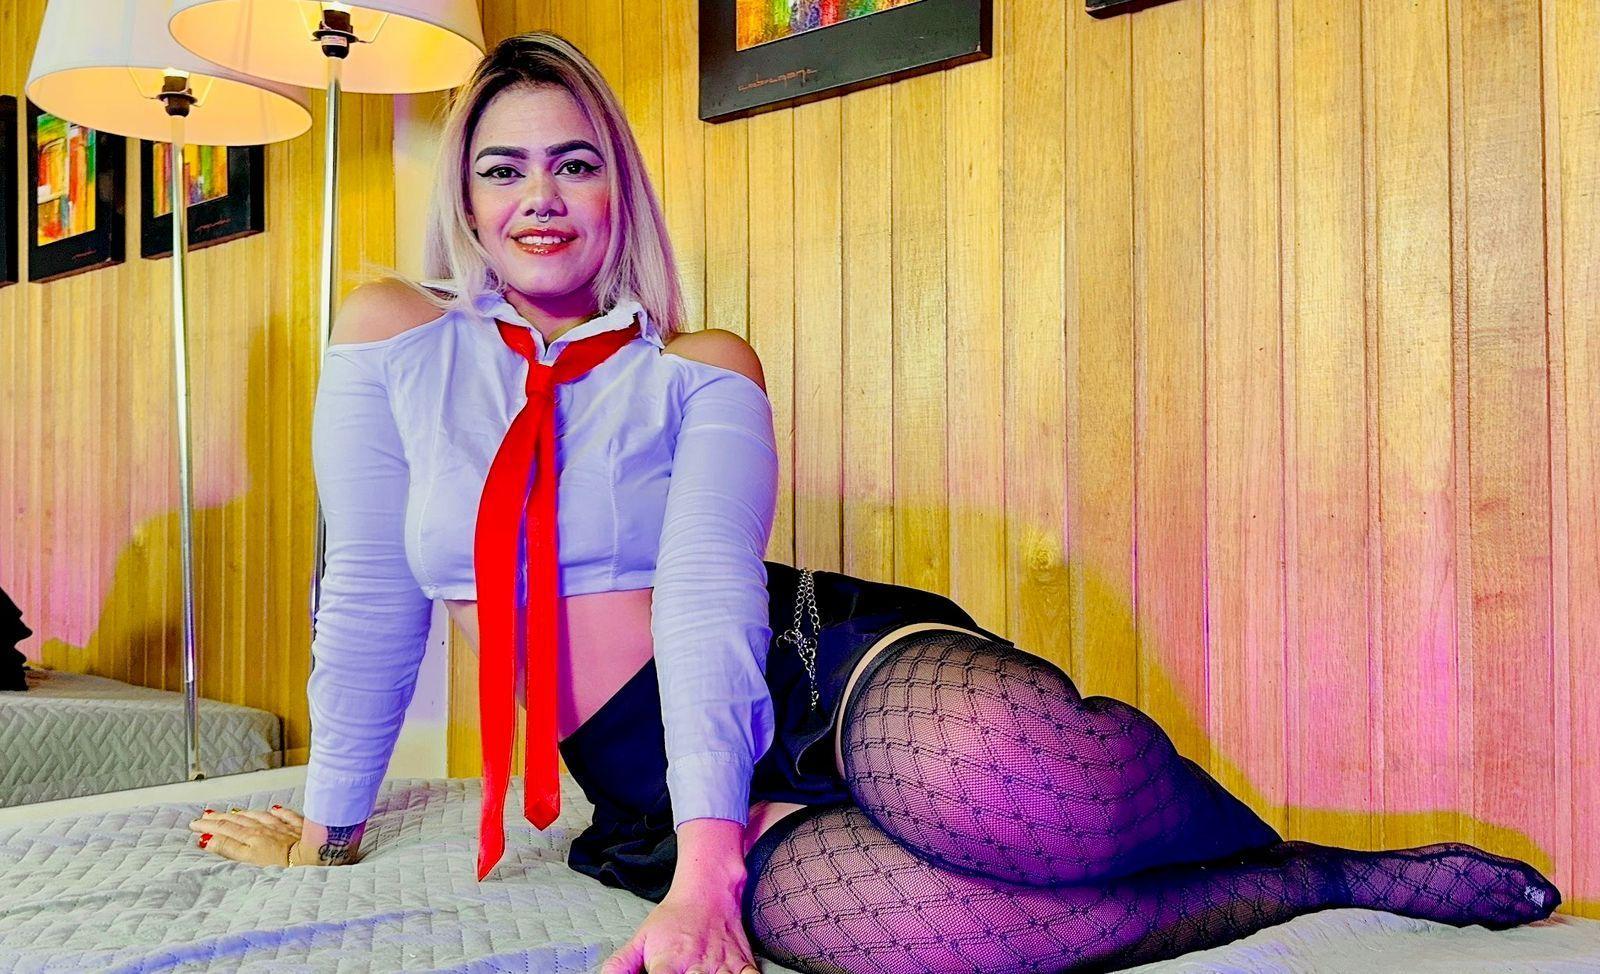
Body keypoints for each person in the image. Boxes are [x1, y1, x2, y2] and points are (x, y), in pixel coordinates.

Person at [189, 31, 1560, 974]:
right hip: (644, 771)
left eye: (574, 162)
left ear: (618, 191)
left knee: (1027, 782)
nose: (539, 197)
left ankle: (1288, 845)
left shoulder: (700, 365)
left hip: (804, 662)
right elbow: (371, 588)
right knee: (946, 938)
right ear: (467, 197)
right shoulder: (392, 339)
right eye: (504, 167)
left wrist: (709, 875)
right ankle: (1313, 880)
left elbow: (709, 592)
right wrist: (330, 821)